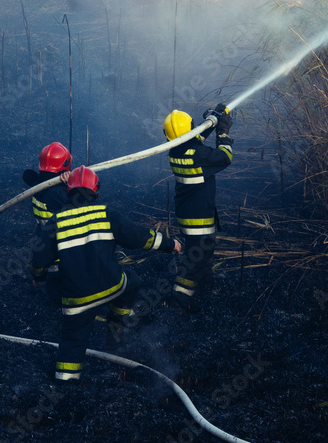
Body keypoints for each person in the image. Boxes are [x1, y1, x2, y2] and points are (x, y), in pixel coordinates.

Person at [31, 166, 182, 381]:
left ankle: (65, 382)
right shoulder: (106, 213)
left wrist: (38, 277)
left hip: (77, 300)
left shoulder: (56, 222)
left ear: (68, 192)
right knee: (132, 283)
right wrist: (170, 244)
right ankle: (116, 333)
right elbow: (139, 236)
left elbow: (39, 258)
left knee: (72, 342)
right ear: (95, 191)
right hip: (112, 286)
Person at [163, 102, 233, 312]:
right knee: (194, 262)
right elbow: (225, 157)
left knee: (202, 254)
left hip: (188, 214)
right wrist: (222, 132)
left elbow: (195, 140)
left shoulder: (175, 150)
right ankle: (179, 300)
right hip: (199, 220)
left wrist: (212, 121)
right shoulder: (198, 155)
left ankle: (206, 281)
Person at [24, 142, 72, 305]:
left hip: (42, 238)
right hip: (61, 245)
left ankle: (41, 281)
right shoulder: (57, 193)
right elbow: (79, 206)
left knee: (50, 277)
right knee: (67, 289)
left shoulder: (37, 184)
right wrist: (69, 185)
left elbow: (28, 175)